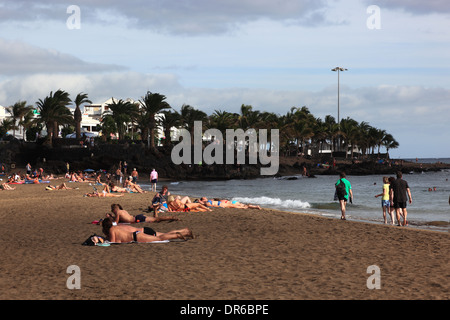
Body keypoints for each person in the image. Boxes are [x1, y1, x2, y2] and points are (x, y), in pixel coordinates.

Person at [101, 217, 193, 243]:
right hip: (139, 232)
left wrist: (104, 239)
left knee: (160, 238)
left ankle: (178, 235)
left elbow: (112, 242)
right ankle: (184, 231)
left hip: (138, 235)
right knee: (162, 235)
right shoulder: (118, 227)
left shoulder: (112, 230)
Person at [109, 203, 180, 224]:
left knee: (157, 219)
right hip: (138, 217)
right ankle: (155, 209)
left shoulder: (118, 212)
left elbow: (116, 223)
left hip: (138, 219)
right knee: (155, 219)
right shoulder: (123, 211)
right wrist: (112, 217)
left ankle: (172, 217)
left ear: (114, 210)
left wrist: (110, 219)